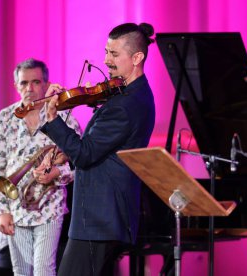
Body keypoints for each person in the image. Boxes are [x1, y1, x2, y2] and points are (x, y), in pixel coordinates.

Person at [41, 22, 156, 276]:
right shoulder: (133, 95)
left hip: (98, 220)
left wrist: (52, 119)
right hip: (105, 218)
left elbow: (85, 154)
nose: (106, 61)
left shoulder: (125, 106)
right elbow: (104, 151)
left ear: (137, 57)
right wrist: (65, 154)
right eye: (106, 52)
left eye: (114, 54)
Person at [0, 58, 81, 276]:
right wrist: (1, 210)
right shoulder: (5, 117)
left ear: (46, 84)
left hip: (50, 206)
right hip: (16, 206)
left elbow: (82, 164)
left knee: (43, 271)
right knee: (21, 272)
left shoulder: (63, 117)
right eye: (24, 83)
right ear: (16, 86)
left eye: (36, 82)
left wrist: (57, 174)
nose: (29, 88)